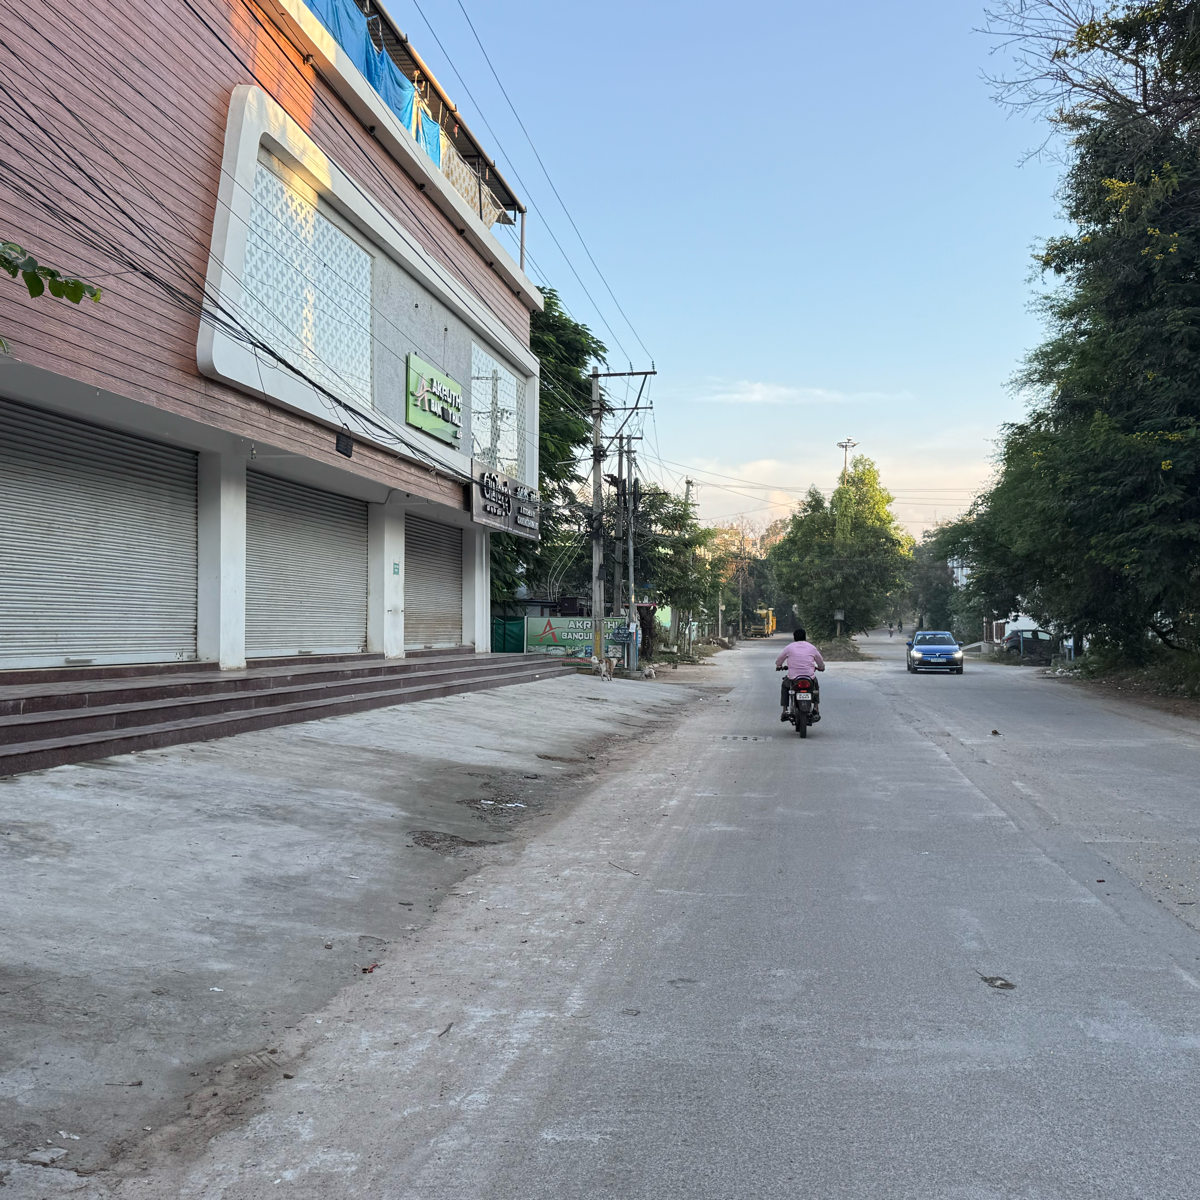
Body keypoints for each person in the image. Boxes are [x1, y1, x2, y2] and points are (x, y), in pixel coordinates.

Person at [775, 627, 825, 721]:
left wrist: (779, 666)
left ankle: (785, 709)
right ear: (805, 637)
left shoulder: (789, 647)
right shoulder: (812, 647)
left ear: (794, 637)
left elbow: (779, 660)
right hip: (809, 677)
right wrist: (821, 667)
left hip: (793, 678)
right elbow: (820, 661)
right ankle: (816, 707)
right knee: (815, 686)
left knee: (785, 686)